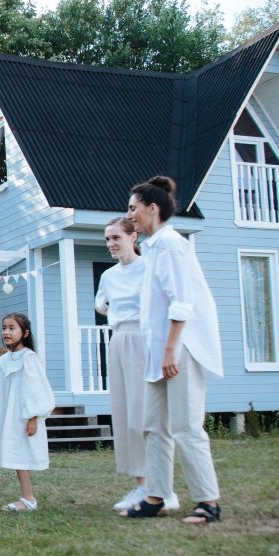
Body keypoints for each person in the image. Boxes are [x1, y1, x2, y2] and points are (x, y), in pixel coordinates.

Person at [120, 176, 223, 524]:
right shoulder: (152, 248)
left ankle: (208, 503)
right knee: (154, 426)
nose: (129, 214)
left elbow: (182, 303)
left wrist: (169, 352)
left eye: (133, 208)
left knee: (186, 427)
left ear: (153, 209)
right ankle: (156, 497)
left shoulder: (171, 245)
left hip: (180, 350)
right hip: (159, 353)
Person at [95, 218, 179, 513]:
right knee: (126, 416)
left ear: (133, 237)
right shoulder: (108, 275)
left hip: (145, 339)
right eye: (107, 239)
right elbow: (100, 304)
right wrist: (105, 306)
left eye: (116, 237)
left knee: (149, 416)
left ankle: (164, 489)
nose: (111, 244)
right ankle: (142, 485)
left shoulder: (149, 267)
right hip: (119, 339)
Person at [0, 313, 56, 512]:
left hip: (25, 415)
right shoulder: (6, 359)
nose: (6, 332)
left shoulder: (29, 358)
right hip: (10, 414)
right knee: (16, 454)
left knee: (22, 455)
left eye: (11, 328)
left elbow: (36, 389)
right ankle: (26, 497)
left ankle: (28, 498)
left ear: (24, 333)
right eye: (4, 328)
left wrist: (33, 417)